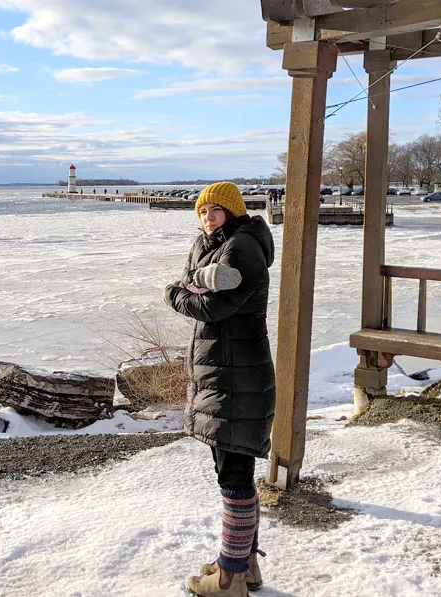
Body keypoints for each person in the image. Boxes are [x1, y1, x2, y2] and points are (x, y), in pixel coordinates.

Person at [163, 181, 276, 597]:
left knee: (234, 474)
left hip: (237, 374)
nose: (206, 217)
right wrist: (195, 280)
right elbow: (194, 285)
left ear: (232, 210)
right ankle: (243, 563)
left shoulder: (242, 247)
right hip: (223, 371)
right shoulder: (214, 244)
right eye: (201, 211)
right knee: (231, 469)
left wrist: (178, 291)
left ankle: (230, 577)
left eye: (214, 210)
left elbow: (213, 306)